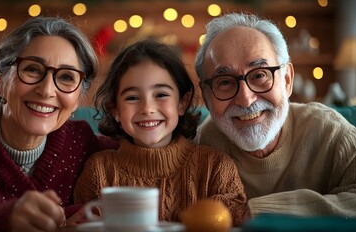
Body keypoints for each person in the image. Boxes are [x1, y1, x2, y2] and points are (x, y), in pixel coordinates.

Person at [0, 16, 117, 232]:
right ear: (0, 80)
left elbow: (144, 158)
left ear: (77, 99)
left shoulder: (81, 141)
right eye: (33, 70)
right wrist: (4, 219)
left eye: (66, 77)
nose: (47, 90)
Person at [194, 12, 356, 217]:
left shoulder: (330, 131)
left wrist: (250, 212)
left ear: (287, 80)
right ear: (207, 96)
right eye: (225, 82)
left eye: (260, 75)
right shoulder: (199, 147)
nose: (246, 99)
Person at [73, 39, 248, 226]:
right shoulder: (98, 171)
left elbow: (236, 221)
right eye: (132, 97)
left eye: (161, 95)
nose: (147, 108)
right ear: (115, 110)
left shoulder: (215, 168)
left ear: (182, 102)